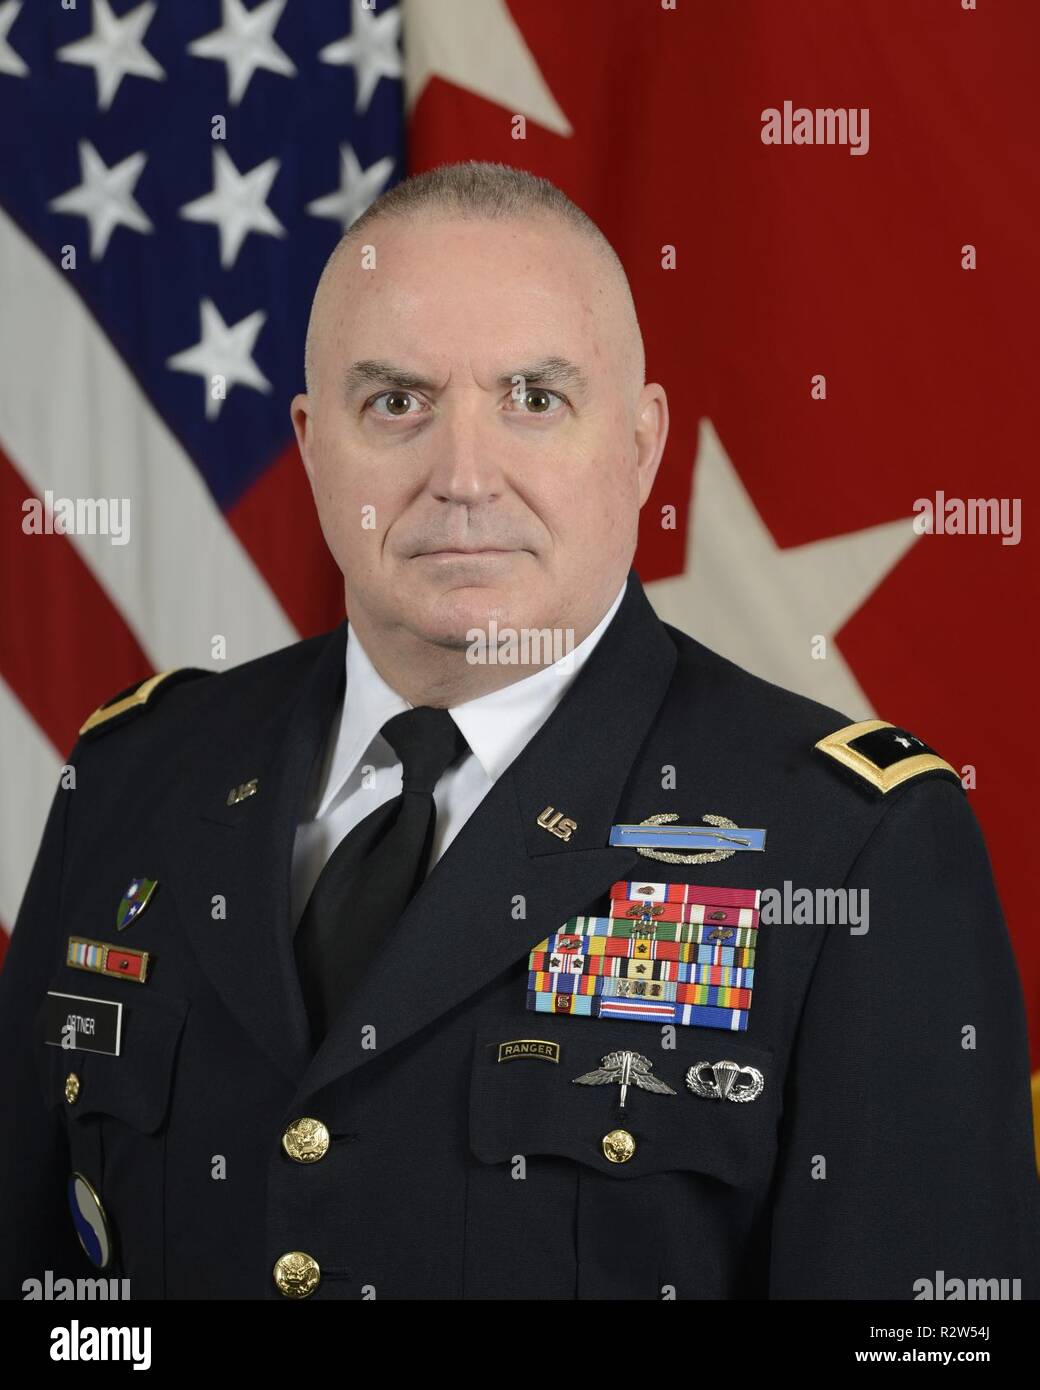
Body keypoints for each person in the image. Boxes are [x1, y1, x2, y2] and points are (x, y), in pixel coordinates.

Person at [1, 161, 1037, 1301]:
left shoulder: (850, 847)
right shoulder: (135, 779)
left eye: (532, 399)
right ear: (310, 444)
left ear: (639, 447)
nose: (461, 476)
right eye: (395, 401)